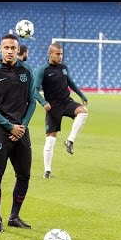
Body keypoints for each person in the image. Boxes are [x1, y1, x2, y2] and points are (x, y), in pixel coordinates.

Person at [0, 33, 36, 233]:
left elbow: (32, 101)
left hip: (21, 130)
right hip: (0, 131)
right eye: (6, 48)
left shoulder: (26, 70)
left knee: (24, 175)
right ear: (0, 49)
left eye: (13, 48)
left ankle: (14, 216)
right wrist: (9, 126)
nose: (10, 51)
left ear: (18, 50)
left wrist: (22, 126)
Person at [34, 42, 88, 179]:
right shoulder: (43, 70)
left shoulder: (64, 68)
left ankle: (70, 140)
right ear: (50, 54)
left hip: (66, 102)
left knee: (83, 111)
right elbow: (33, 90)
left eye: (61, 54)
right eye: (58, 54)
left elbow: (70, 82)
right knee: (50, 141)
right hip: (52, 107)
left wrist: (81, 95)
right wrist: (43, 102)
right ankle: (47, 171)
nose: (60, 57)